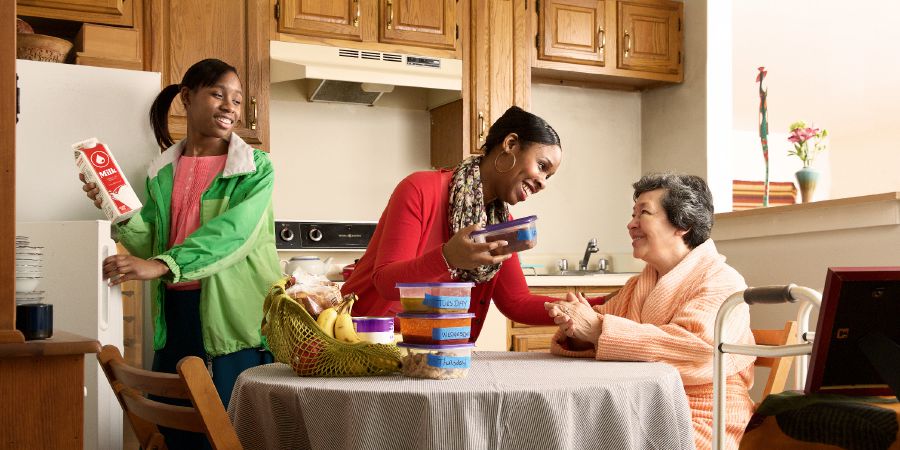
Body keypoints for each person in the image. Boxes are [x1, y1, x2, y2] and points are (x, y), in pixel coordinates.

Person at [80, 59, 280, 446]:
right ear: (187, 98)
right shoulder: (161, 171)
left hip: (235, 321)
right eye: (218, 94)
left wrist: (160, 264)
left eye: (237, 100)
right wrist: (114, 207)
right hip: (174, 314)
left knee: (225, 433)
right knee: (174, 432)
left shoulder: (255, 169)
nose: (230, 107)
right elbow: (152, 243)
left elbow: (232, 236)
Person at [341, 106, 602, 339]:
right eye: (542, 166)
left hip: (437, 352)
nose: (543, 183)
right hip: (367, 343)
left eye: (549, 177)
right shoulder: (420, 189)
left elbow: (516, 302)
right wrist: (447, 257)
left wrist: (598, 306)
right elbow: (385, 282)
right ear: (510, 144)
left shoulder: (501, 222)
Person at [544, 173, 755, 450]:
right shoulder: (638, 285)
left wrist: (598, 329)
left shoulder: (722, 281)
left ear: (684, 224)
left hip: (706, 413)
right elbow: (598, 334)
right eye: (633, 214)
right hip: (642, 405)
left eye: (643, 213)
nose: (631, 224)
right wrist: (577, 329)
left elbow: (700, 350)